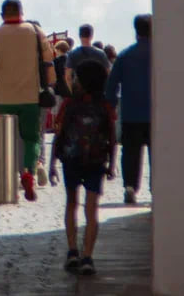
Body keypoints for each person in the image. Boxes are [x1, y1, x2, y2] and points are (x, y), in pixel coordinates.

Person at [0, 0, 57, 200]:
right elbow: (49, 59)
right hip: (30, 95)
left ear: (2, 14)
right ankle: (28, 172)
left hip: (4, 96)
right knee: (31, 138)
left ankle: (8, 180)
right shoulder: (35, 32)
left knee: (7, 139)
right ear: (21, 12)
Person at [51, 60, 117, 277]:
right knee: (91, 209)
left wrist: (52, 164)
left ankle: (72, 251)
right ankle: (88, 256)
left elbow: (58, 135)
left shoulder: (69, 104)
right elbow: (112, 137)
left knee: (71, 204)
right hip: (96, 162)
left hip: (71, 160)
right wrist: (111, 164)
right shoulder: (105, 105)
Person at [105, 13, 152, 205]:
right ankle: (156, 188)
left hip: (131, 112)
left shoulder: (124, 55)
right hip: (155, 113)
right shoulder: (160, 53)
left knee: (131, 152)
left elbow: (112, 85)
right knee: (156, 153)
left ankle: (130, 186)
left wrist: (111, 106)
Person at [64, 23, 109, 91]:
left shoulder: (72, 54)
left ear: (79, 36)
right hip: (97, 90)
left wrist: (72, 92)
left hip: (80, 90)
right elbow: (108, 74)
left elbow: (68, 77)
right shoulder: (101, 54)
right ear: (91, 36)